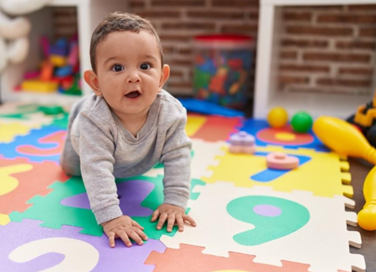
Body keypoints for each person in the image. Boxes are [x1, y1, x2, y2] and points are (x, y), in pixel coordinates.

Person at [60, 12, 196, 248]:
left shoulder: (171, 113)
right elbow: (96, 169)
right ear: (96, 83)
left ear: (162, 77)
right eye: (117, 67)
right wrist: (111, 217)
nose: (134, 76)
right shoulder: (93, 121)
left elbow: (178, 157)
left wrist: (175, 201)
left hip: (137, 156)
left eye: (145, 66)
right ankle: (79, 109)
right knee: (73, 170)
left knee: (166, 153)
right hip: (85, 142)